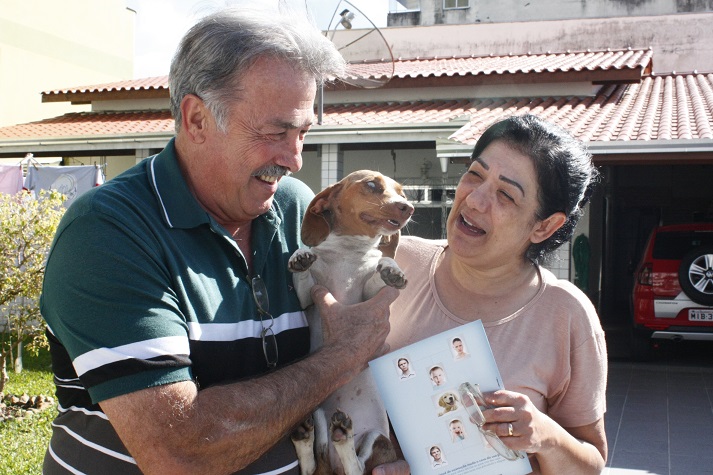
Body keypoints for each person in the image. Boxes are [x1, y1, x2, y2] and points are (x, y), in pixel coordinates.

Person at [40, 8, 400, 475]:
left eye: (304, 132)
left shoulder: (296, 208)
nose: (293, 158)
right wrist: (343, 356)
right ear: (196, 120)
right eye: (275, 132)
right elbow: (179, 451)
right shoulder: (107, 233)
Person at [387, 114, 607, 474]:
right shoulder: (395, 261)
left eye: (505, 194)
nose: (474, 200)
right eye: (475, 174)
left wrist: (545, 435)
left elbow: (591, 465)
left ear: (544, 226)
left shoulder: (565, 313)